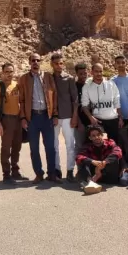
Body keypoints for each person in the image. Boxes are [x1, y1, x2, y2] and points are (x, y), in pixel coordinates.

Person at [19, 53, 60, 184]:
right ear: (29, 62)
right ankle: (38, 174)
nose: (35, 62)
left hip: (46, 116)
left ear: (41, 62)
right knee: (34, 148)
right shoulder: (24, 79)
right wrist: (23, 118)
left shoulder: (47, 77)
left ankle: (52, 174)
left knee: (50, 147)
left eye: (38, 60)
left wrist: (54, 115)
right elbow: (22, 100)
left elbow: (54, 96)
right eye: (33, 60)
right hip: (32, 117)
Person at [0, 63, 28, 185]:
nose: (9, 74)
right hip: (6, 120)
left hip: (17, 119)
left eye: (11, 71)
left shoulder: (16, 85)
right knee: (6, 147)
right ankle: (6, 174)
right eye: (6, 72)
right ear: (2, 72)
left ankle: (15, 171)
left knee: (17, 146)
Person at [51, 53, 79, 183]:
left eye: (61, 63)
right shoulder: (48, 79)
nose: (59, 66)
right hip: (54, 117)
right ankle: (56, 170)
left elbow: (75, 99)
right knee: (54, 145)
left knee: (70, 145)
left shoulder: (69, 79)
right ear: (52, 64)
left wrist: (74, 116)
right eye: (56, 63)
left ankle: (70, 171)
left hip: (68, 116)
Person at [81, 63, 122, 144]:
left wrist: (120, 117)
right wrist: (91, 118)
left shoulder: (111, 84)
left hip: (113, 119)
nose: (99, 74)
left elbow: (117, 101)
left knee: (114, 144)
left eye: (101, 71)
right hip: (98, 121)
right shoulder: (87, 87)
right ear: (91, 72)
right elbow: (84, 105)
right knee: (99, 145)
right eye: (96, 71)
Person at [76, 125, 123, 189]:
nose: (97, 137)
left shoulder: (110, 142)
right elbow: (78, 157)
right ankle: (89, 182)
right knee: (83, 162)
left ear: (102, 135)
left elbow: (118, 152)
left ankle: (92, 181)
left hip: (108, 175)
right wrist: (92, 161)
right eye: (93, 136)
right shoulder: (87, 146)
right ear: (90, 138)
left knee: (114, 159)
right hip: (93, 174)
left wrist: (104, 162)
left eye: (98, 134)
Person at [73, 62, 91, 152]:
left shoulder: (90, 85)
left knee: (92, 145)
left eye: (85, 73)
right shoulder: (74, 87)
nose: (84, 75)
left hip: (91, 121)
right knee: (80, 146)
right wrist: (79, 123)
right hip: (80, 122)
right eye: (81, 74)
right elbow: (74, 107)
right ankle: (80, 166)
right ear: (76, 74)